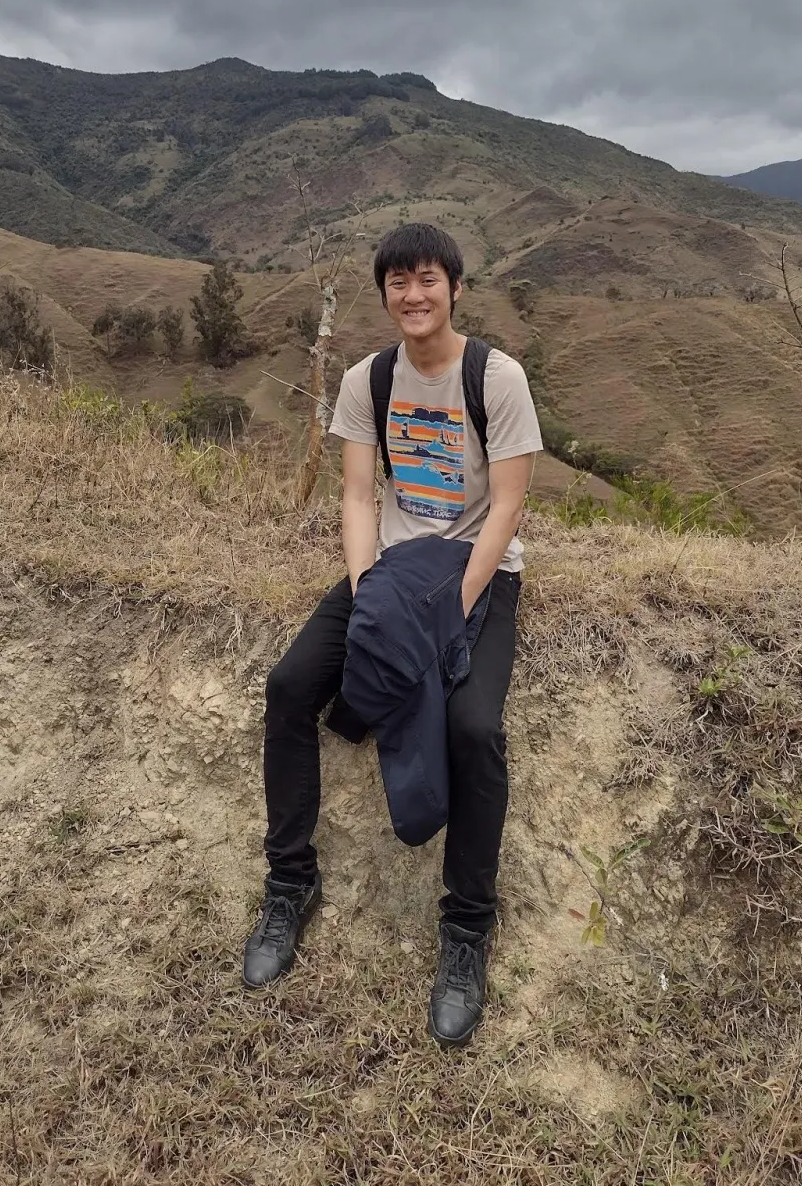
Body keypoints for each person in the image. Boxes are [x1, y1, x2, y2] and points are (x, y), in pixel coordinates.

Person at [242, 223, 543, 1046]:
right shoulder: (367, 380)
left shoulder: (497, 378)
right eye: (398, 283)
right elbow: (357, 497)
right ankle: (289, 882)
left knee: (474, 726)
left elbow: (509, 506)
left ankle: (468, 927)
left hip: (481, 566)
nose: (413, 296)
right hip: (391, 570)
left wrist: (453, 611)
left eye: (428, 280)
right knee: (290, 687)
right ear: (384, 294)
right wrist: (370, 590)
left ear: (455, 287)